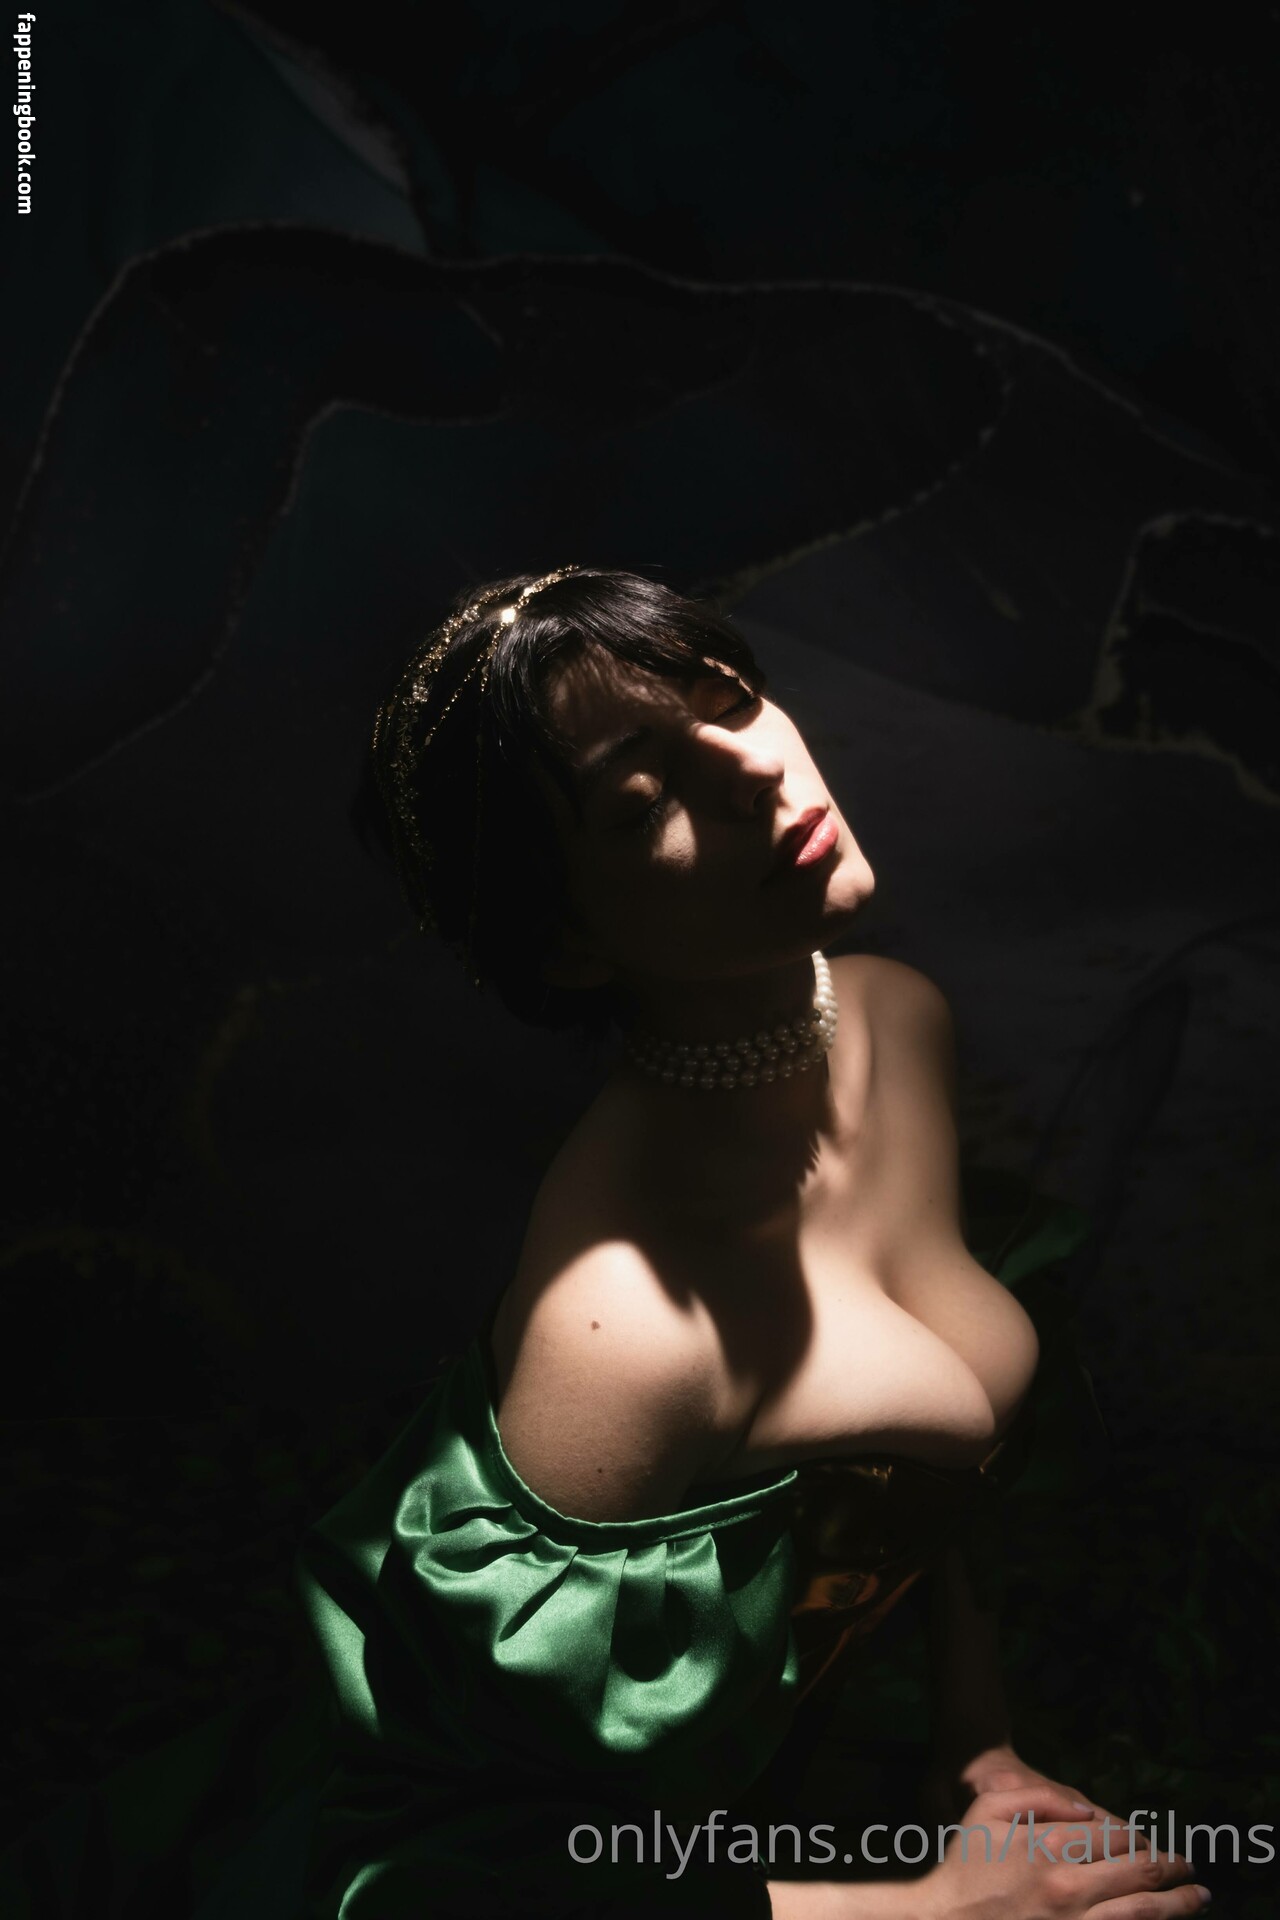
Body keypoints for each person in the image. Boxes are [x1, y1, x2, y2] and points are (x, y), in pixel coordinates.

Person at [295, 565, 1211, 1917]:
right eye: (640, 797)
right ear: (568, 943)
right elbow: (463, 1885)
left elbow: (930, 1484)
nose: (751, 768)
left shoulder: (893, 1019)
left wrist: (979, 1750)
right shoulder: (625, 1332)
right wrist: (942, 1909)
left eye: (727, 699)